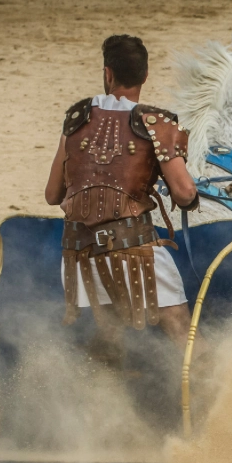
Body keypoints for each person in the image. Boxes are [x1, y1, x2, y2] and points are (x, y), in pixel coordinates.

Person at [44, 34, 199, 358]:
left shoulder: (75, 122)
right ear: (144, 76)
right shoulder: (158, 123)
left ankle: (109, 392)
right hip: (136, 254)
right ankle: (205, 397)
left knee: (111, 345)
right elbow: (184, 193)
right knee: (184, 336)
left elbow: (51, 194)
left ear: (108, 74)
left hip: (79, 258)